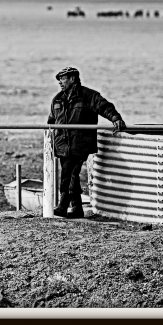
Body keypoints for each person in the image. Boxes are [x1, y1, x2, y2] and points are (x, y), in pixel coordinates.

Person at [47, 67, 127, 219]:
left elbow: (105, 107)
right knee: (72, 174)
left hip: (80, 144)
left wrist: (116, 118)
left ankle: (63, 205)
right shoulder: (57, 99)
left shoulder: (89, 96)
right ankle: (77, 208)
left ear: (72, 79)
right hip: (62, 145)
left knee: (69, 172)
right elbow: (51, 121)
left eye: (63, 79)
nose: (60, 82)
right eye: (59, 79)